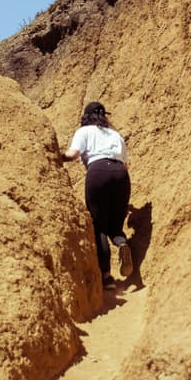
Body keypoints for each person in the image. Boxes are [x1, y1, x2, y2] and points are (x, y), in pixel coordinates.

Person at [61, 101, 133, 290]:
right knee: (115, 226)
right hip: (121, 175)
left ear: (86, 117)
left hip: (98, 172)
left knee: (99, 225)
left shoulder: (84, 132)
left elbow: (73, 154)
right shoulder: (115, 135)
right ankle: (123, 244)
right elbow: (125, 164)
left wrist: (56, 156)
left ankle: (107, 276)